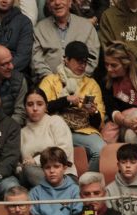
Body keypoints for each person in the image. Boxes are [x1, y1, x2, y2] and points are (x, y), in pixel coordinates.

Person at [39, 39, 105, 172]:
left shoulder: (91, 84)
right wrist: (66, 100)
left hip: (81, 130)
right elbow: (41, 108)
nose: (83, 65)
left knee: (101, 149)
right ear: (66, 60)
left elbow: (99, 123)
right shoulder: (50, 81)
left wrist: (94, 113)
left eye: (85, 62)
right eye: (79, 61)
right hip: (53, 130)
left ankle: (85, 185)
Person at [34, 0, 97, 84]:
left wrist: (74, 81)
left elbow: (92, 60)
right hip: (49, 86)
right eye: (52, 0)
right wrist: (53, 82)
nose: (57, 2)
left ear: (70, 2)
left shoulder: (87, 27)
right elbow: (36, 61)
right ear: (48, 5)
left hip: (81, 85)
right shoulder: (39, 29)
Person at [27, 145, 81, 215]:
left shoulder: (75, 190)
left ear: (64, 168)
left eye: (56, 166)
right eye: (47, 167)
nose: (52, 171)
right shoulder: (34, 193)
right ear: (42, 169)